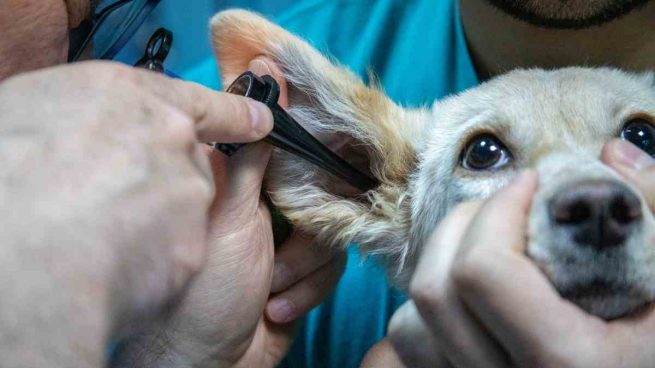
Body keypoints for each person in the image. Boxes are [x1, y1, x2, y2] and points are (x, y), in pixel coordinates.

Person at [0, 0, 654, 367]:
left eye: (640, 141)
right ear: (353, 178)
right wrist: (175, 359)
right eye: (482, 154)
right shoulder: (192, 143)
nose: (593, 195)